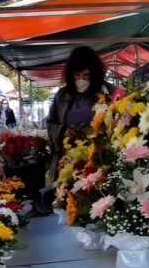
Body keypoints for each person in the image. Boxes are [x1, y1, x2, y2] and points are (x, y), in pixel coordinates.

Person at [46, 46, 111, 181]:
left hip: (99, 156)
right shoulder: (62, 95)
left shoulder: (108, 92)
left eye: (86, 75)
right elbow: (50, 123)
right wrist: (63, 131)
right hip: (68, 158)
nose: (81, 79)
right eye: (77, 75)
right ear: (71, 75)